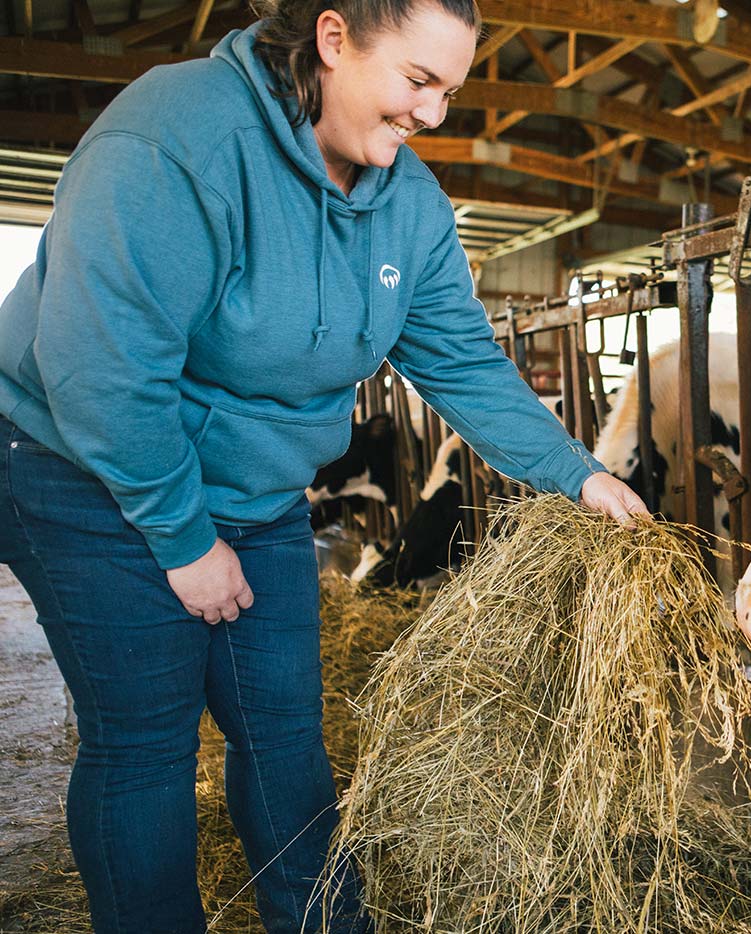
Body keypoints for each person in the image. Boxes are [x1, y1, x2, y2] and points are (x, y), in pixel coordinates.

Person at [0, 0, 647, 928]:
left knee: (283, 730)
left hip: (255, 490)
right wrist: (184, 543)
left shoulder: (408, 203)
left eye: (451, 92)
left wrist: (577, 472)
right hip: (82, 467)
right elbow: (102, 365)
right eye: (418, 82)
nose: (433, 115)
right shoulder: (177, 138)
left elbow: (459, 358)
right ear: (334, 40)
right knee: (147, 735)